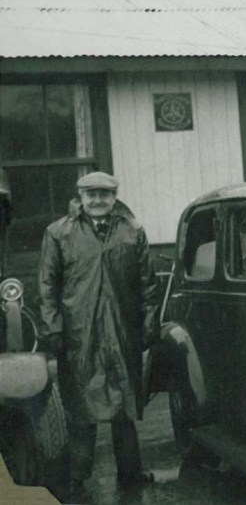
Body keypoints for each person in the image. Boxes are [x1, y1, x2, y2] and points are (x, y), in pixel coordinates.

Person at [36, 172, 158, 498]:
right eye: (91, 194)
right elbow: (47, 286)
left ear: (114, 197)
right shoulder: (58, 233)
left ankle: (131, 473)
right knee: (81, 409)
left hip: (122, 331)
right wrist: (53, 328)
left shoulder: (133, 232)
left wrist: (149, 323)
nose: (98, 200)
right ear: (80, 196)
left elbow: (148, 283)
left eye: (104, 194)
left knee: (124, 407)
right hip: (80, 334)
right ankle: (76, 477)